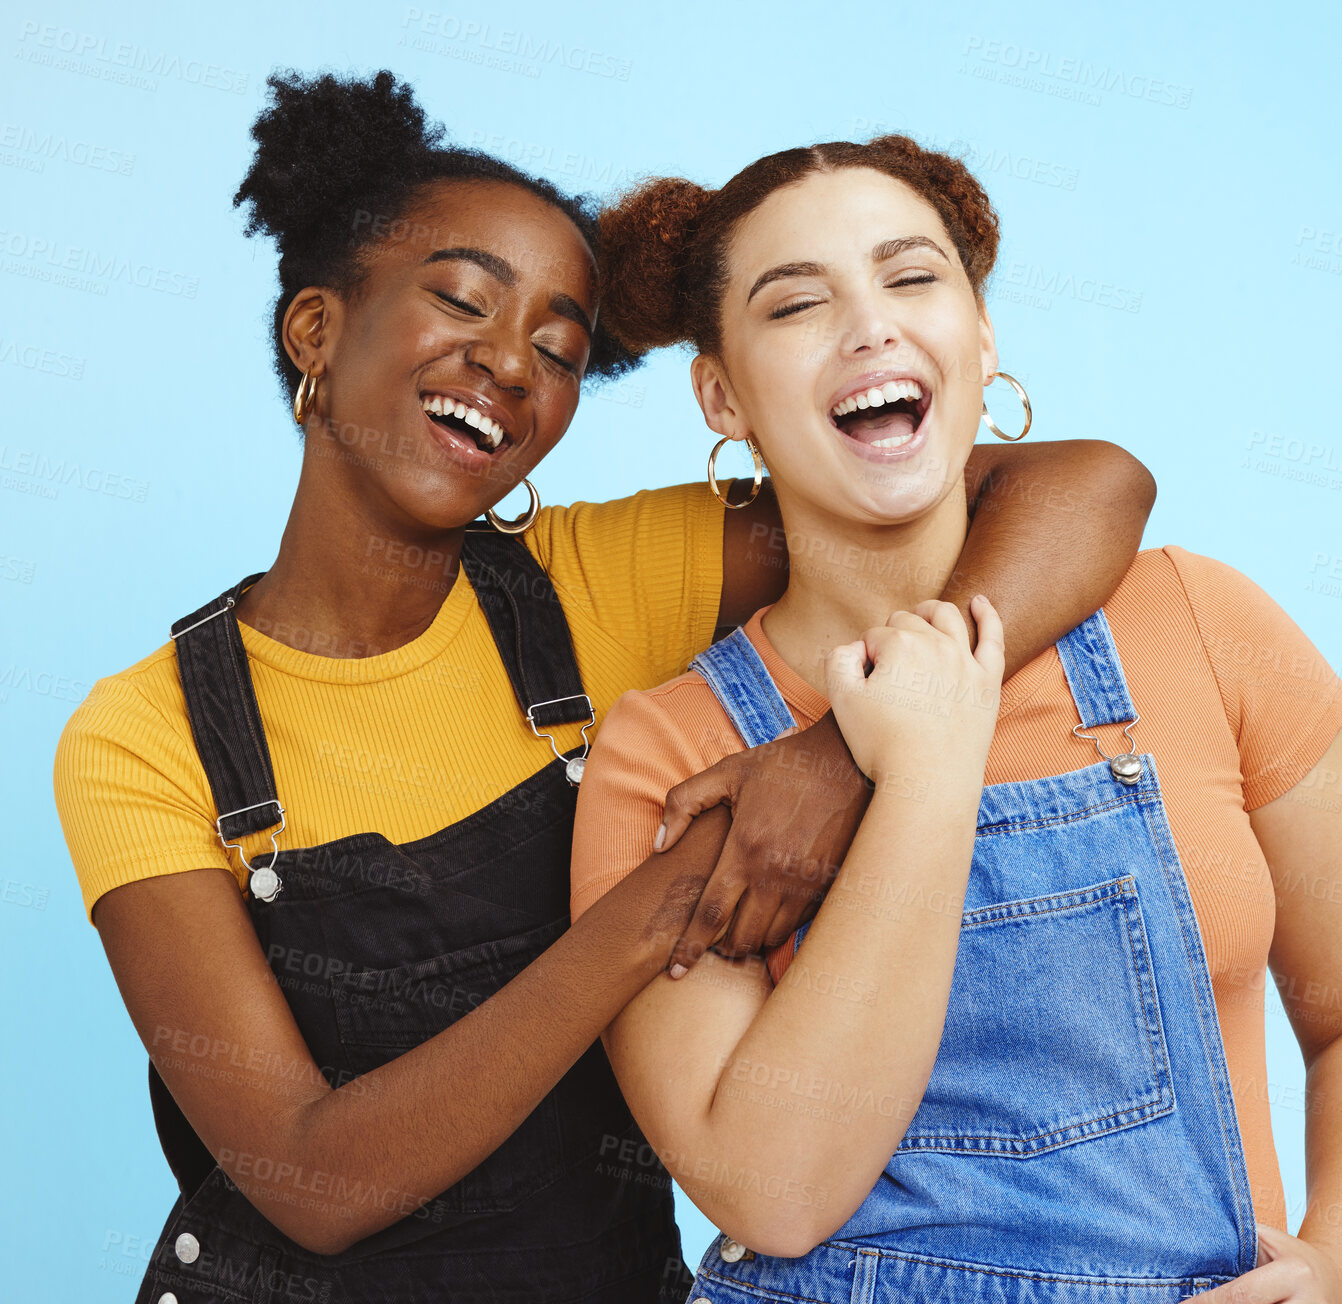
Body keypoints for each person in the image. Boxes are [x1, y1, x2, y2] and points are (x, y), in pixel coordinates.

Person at [51, 74, 1155, 1304]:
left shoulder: (589, 583)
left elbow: (1082, 481)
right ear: (315, 329)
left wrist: (841, 758)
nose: (507, 363)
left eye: (559, 350)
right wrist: (669, 892)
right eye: (462, 299)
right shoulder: (144, 735)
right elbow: (310, 1177)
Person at [570, 136, 1342, 1304]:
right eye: (796, 304)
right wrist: (925, 767)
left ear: (981, 339)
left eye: (911, 278)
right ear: (721, 394)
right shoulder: (670, 752)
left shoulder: (1198, 621)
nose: (870, 327)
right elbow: (771, 1188)